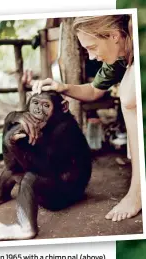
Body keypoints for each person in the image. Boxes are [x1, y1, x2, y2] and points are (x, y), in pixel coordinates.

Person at [22, 15, 141, 222]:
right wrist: (63, 87)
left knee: (130, 90)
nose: (91, 56)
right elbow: (95, 90)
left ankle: (138, 192)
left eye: (92, 47)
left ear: (114, 36)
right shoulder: (120, 53)